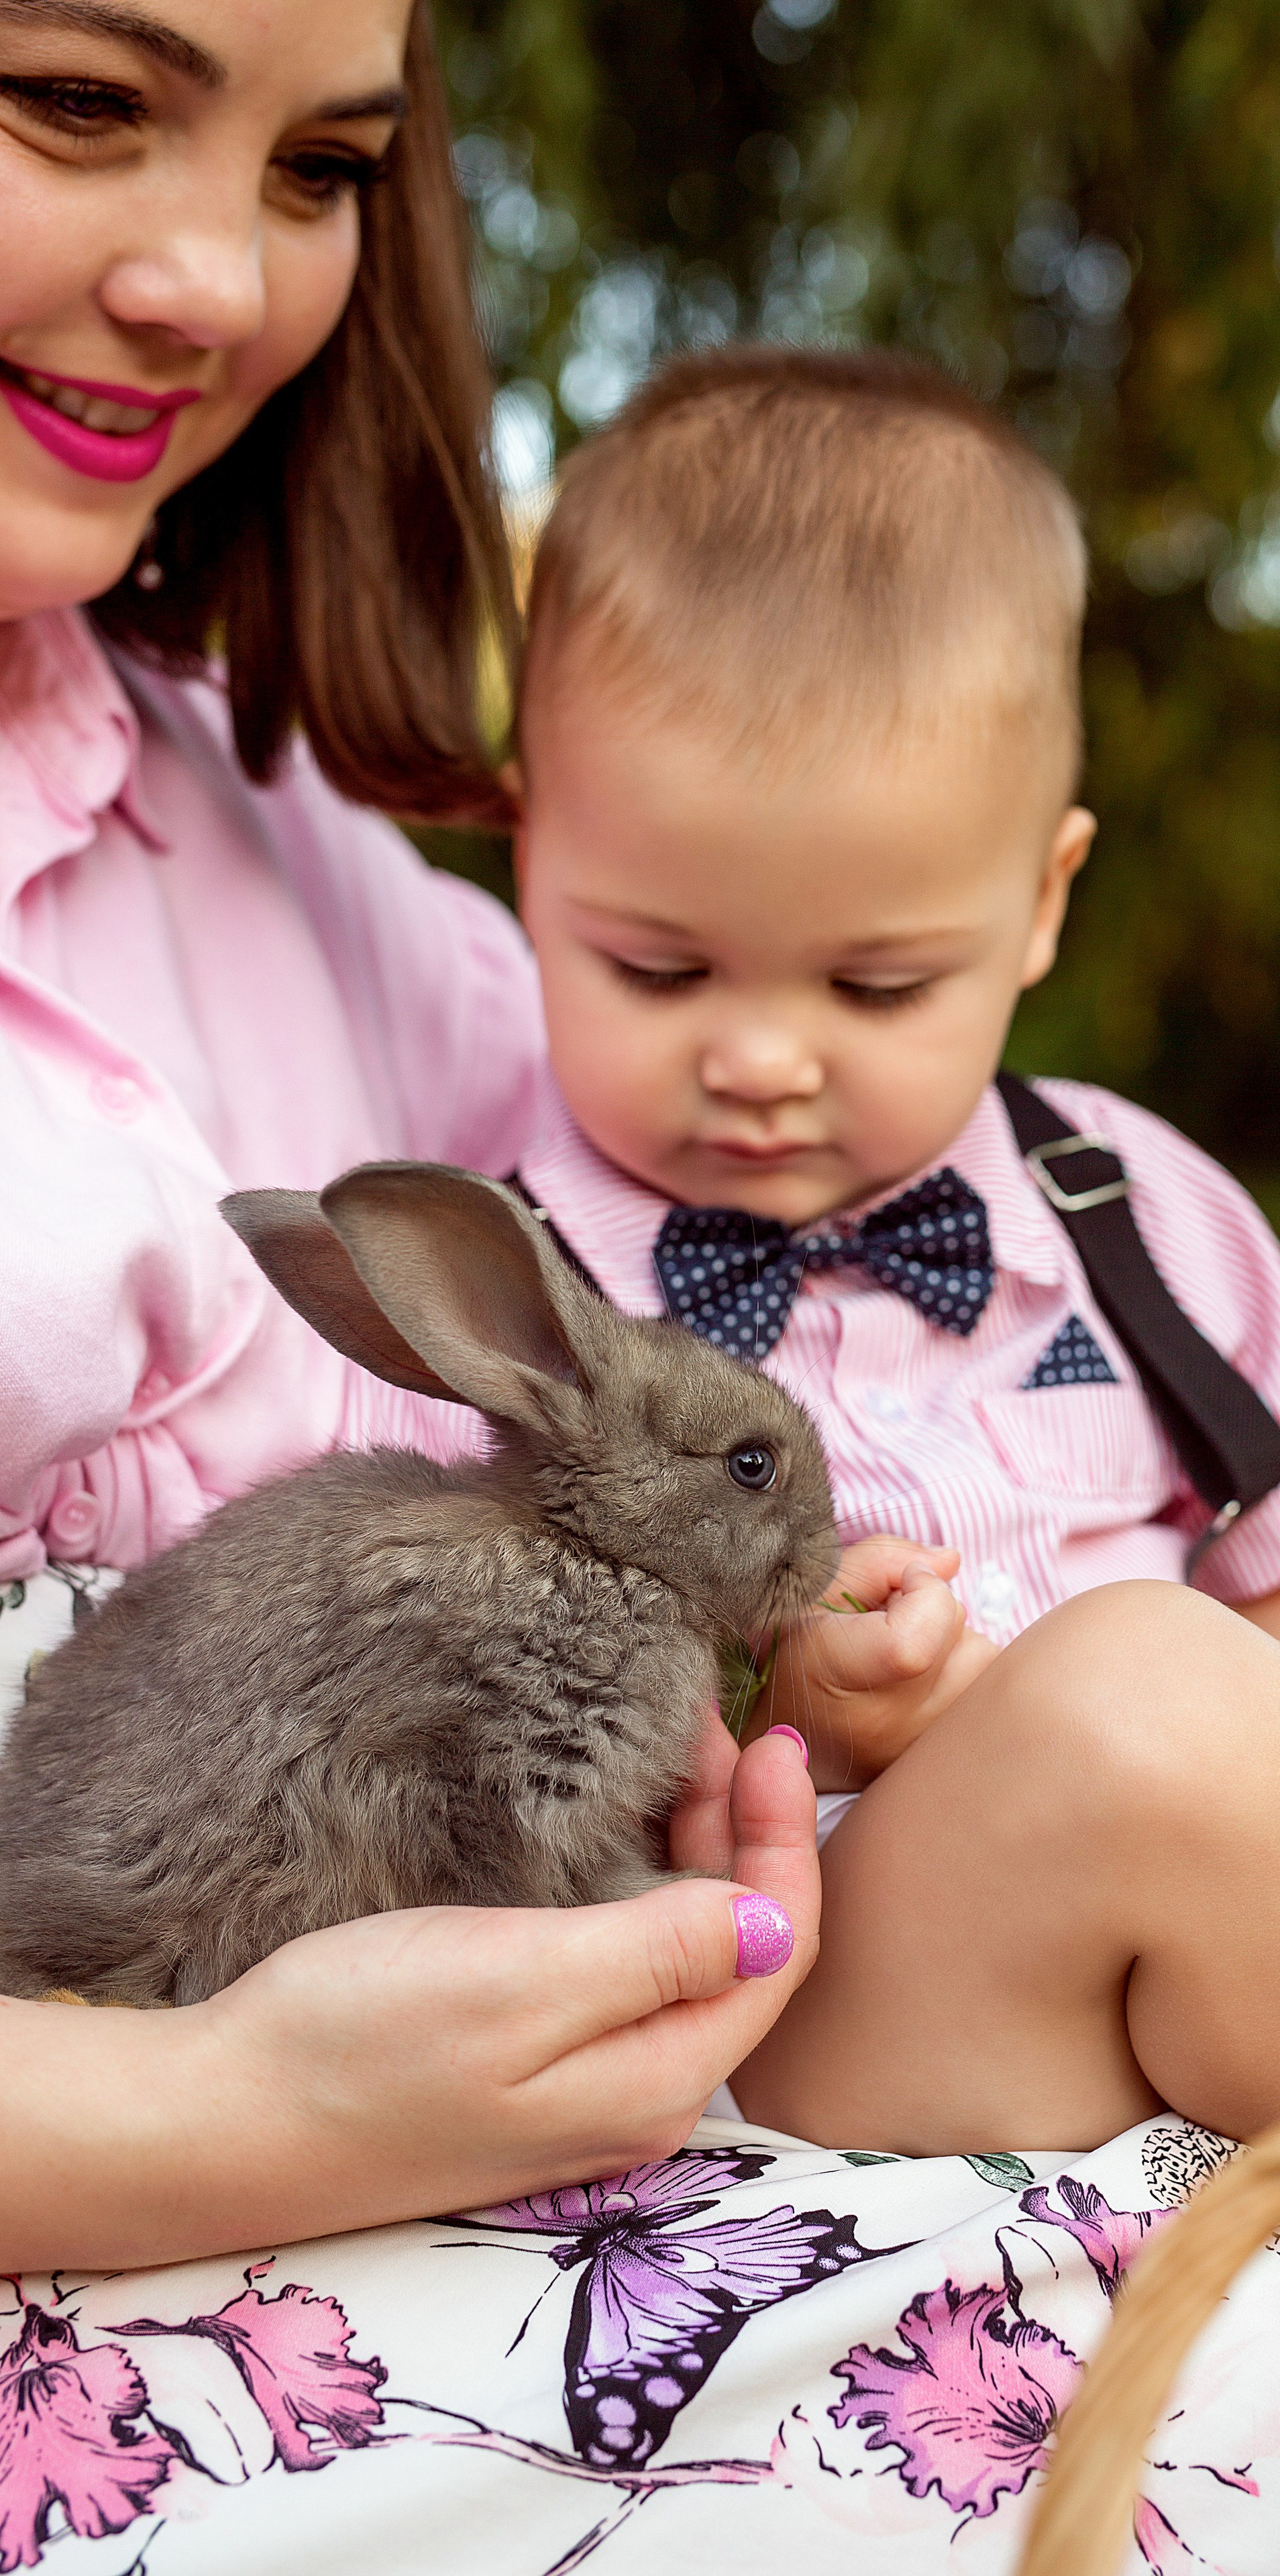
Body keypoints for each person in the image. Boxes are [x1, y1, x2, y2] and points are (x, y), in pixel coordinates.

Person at [498, 343, 1280, 2174]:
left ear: (1044, 899)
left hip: (1269, 1899)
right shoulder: (515, 1312)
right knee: (1155, 1692)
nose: (762, 1056)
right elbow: (497, 1776)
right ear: (526, 845)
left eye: (877, 984)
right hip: (881, 1986)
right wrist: (787, 1717)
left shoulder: (1118, 1202)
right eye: (657, 969)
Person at [0, 0, 816, 2269]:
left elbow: (792, 1208)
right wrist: (199, 2116)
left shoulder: (281, 842)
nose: (220, 287)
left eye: (319, 170)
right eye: (73, 103)